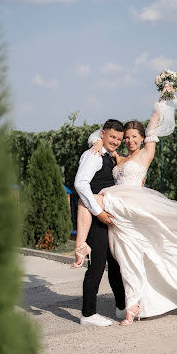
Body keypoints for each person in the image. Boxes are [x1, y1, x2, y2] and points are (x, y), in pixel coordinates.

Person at [72, 97, 177, 326]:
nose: (128, 140)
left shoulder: (146, 152)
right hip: (119, 205)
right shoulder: (118, 156)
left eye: (132, 136)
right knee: (125, 258)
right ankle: (130, 304)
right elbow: (106, 138)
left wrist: (164, 97)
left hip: (134, 205)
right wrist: (96, 141)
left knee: (153, 245)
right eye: (126, 137)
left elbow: (153, 126)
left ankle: (81, 243)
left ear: (141, 138)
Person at [73, 119, 126, 326]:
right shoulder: (93, 155)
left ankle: (121, 307)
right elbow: (80, 183)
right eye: (112, 136)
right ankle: (88, 314)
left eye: (119, 139)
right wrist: (98, 213)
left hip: (105, 213)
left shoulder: (105, 153)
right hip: (95, 215)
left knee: (113, 262)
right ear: (103, 133)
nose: (115, 141)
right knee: (97, 264)